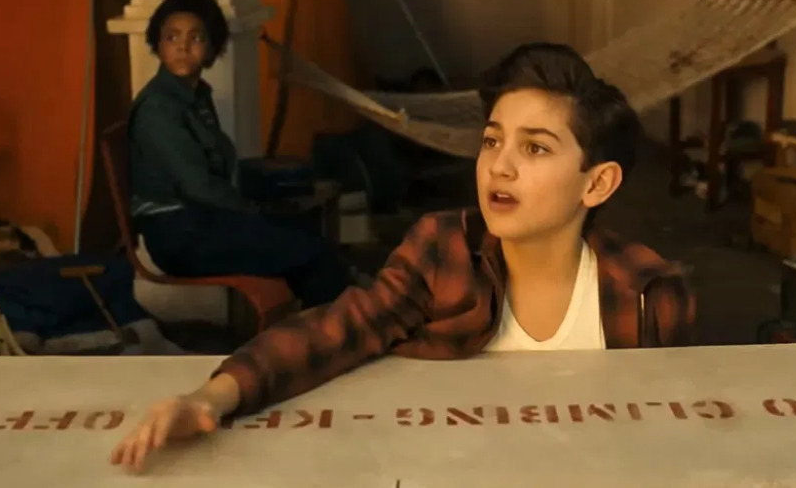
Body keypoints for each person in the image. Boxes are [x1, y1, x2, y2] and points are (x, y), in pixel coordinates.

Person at [111, 42, 696, 473]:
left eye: (535, 148)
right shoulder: (443, 253)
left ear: (597, 184)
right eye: (492, 140)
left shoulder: (649, 295)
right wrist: (212, 397)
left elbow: (663, 443)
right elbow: (336, 330)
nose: (500, 166)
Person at [128, 0, 350, 308]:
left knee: (304, 231)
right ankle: (345, 322)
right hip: (180, 234)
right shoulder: (158, 109)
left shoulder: (196, 96)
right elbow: (197, 185)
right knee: (306, 249)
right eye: (172, 37)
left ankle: (335, 318)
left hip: (205, 219)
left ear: (212, 47)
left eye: (196, 38)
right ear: (158, 45)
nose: (183, 47)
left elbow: (220, 167)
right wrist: (253, 210)